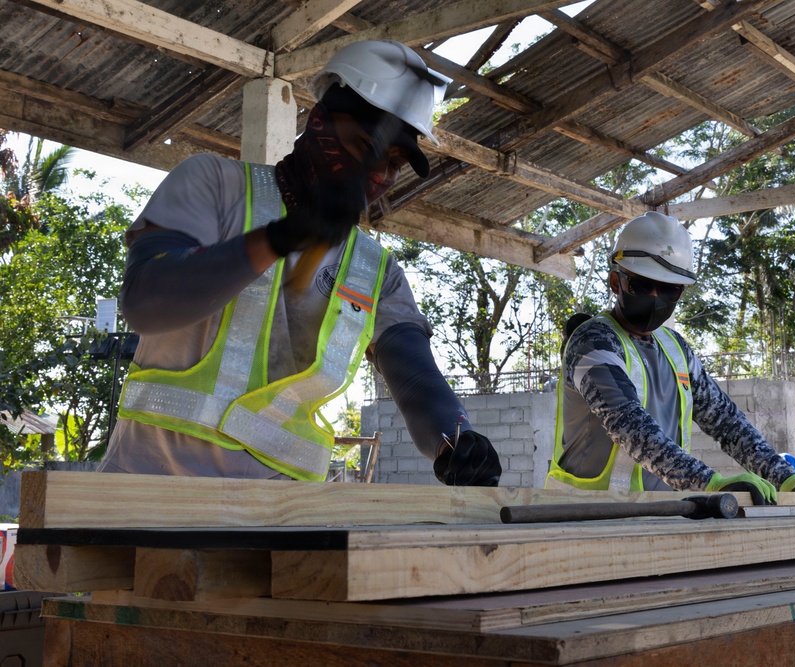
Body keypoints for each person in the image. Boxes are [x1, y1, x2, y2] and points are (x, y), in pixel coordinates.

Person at [99, 40, 501, 487]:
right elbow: (145, 302)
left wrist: (456, 439)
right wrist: (281, 238)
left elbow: (416, 376)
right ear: (318, 122)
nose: (379, 176)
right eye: (365, 146)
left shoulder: (377, 272)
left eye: (394, 163)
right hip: (149, 490)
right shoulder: (214, 184)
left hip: (280, 515)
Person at [546, 211, 795, 505]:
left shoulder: (675, 349)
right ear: (615, 282)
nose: (656, 297)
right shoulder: (593, 342)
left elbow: (725, 421)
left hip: (658, 517)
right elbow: (627, 423)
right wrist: (708, 483)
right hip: (583, 516)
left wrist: (782, 475)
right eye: (641, 286)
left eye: (670, 290)